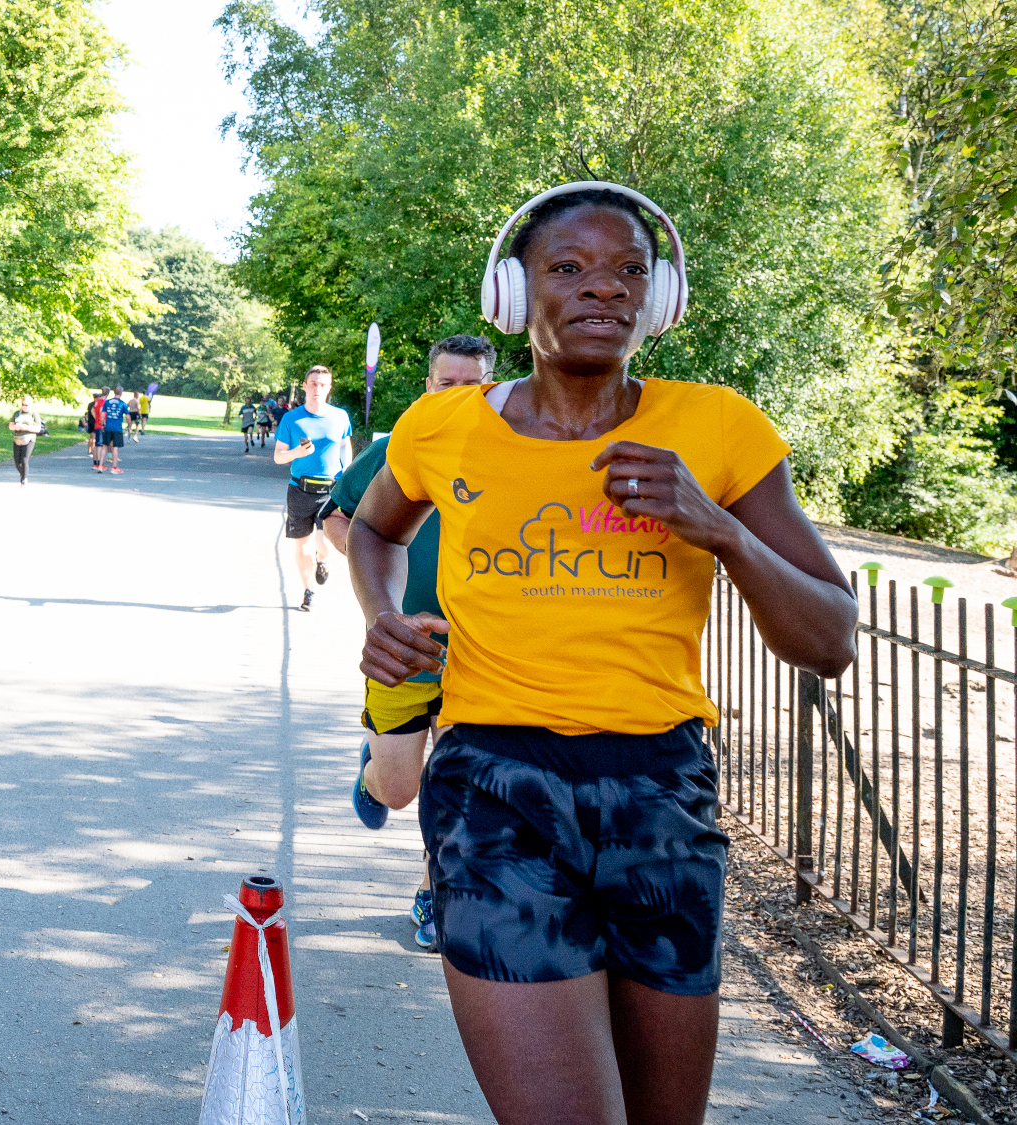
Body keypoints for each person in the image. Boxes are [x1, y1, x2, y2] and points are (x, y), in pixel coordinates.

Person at [351, 183, 857, 1125]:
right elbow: (377, 530)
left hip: (661, 794)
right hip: (495, 791)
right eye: (569, 268)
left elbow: (830, 640)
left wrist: (719, 530)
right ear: (513, 295)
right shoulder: (440, 427)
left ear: (659, 299)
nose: (605, 290)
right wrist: (380, 614)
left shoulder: (718, 428)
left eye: (630, 270)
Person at [321, 335, 495, 950]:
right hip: (403, 648)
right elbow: (340, 518)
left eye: (470, 385)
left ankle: (433, 893)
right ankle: (374, 771)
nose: (457, 395)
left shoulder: (515, 453)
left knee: (456, 788)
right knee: (400, 792)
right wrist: (384, 596)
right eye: (446, 383)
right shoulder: (402, 446)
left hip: (482, 656)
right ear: (428, 386)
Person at [274, 365, 351, 611]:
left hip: (331, 490)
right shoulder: (291, 418)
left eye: (323, 385)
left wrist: (347, 472)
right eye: (313, 384)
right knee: (302, 546)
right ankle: (308, 589)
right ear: (305, 386)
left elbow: (344, 446)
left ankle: (324, 560)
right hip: (299, 489)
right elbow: (278, 457)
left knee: (324, 541)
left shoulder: (340, 416)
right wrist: (297, 452)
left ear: (329, 388)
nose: (317, 389)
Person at [9, 395, 44, 485]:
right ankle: (23, 473)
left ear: (30, 405)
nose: (24, 406)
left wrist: (26, 427)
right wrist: (16, 427)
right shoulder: (17, 413)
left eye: (26, 405)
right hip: (17, 438)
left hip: (29, 438)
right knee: (17, 461)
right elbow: (10, 426)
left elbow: (38, 429)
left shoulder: (34, 414)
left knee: (24, 459)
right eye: (23, 404)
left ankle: (24, 479)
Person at [95, 387, 130, 474]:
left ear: (114, 392)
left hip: (108, 427)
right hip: (117, 428)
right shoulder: (123, 404)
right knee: (115, 447)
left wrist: (103, 424)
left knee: (104, 446)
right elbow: (128, 417)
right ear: (121, 393)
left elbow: (102, 415)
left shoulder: (107, 402)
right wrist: (129, 426)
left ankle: (100, 465)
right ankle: (114, 467)